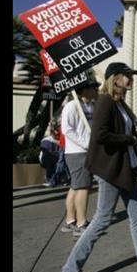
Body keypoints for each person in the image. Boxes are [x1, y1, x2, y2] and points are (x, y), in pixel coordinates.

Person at [57, 62, 137, 272]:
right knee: (102, 220)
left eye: (131, 75)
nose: (131, 78)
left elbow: (125, 134)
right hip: (111, 170)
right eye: (127, 75)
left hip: (126, 168)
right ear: (115, 78)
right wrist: (133, 139)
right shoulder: (105, 101)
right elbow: (101, 135)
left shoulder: (120, 103)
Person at [58, 79, 100, 237]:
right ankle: (81, 223)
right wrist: (85, 144)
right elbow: (66, 129)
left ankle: (70, 221)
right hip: (77, 152)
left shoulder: (90, 106)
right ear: (84, 90)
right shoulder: (72, 106)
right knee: (83, 187)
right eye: (93, 88)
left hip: (86, 151)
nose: (96, 90)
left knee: (76, 187)